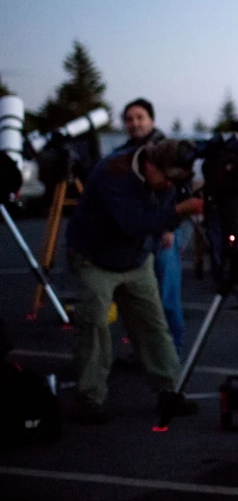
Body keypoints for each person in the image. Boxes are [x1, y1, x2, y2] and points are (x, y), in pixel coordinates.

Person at [67, 139, 204, 424]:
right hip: (96, 259)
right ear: (150, 165)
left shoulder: (163, 178)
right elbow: (133, 223)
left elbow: (158, 214)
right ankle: (89, 399)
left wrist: (168, 222)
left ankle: (169, 389)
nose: (169, 185)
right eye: (166, 178)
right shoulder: (112, 174)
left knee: (153, 325)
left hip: (136, 259)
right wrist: (177, 212)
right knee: (95, 328)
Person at [117, 98, 187, 355]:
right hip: (138, 229)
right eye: (129, 119)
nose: (134, 123)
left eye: (139, 117)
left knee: (167, 294)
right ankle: (146, 353)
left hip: (163, 230)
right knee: (140, 299)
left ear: (152, 120)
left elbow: (177, 189)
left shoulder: (166, 148)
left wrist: (169, 226)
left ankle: (174, 351)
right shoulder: (125, 152)